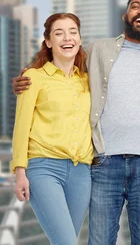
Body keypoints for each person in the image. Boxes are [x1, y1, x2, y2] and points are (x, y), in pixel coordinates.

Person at [12, 0, 140, 245]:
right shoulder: (98, 50)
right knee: (91, 240)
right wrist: (26, 76)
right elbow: (59, 61)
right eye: (136, 6)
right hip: (102, 163)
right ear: (125, 14)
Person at [10, 13, 93, 245]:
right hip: (44, 169)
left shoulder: (88, 80)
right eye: (59, 33)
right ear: (48, 41)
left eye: (73, 32)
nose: (67, 38)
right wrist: (19, 172)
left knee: (64, 241)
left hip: (82, 173)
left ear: (79, 38)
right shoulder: (33, 78)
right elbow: (21, 126)